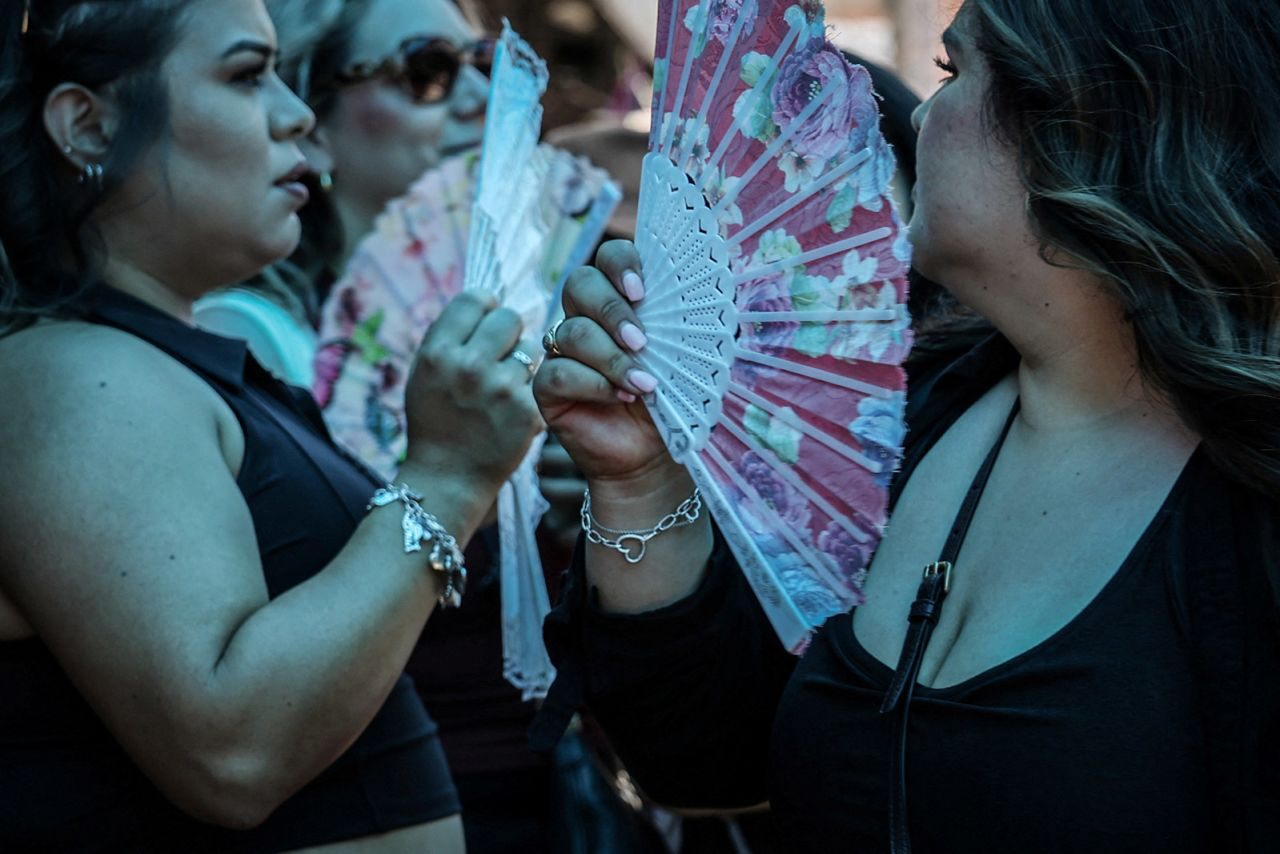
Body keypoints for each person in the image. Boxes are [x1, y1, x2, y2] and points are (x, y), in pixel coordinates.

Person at [529, 0, 1280, 851]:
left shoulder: (1250, 495)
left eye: (954, 74)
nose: (919, 114)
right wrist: (637, 482)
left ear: (1076, 118)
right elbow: (706, 764)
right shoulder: (898, 419)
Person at [0, 0, 540, 850]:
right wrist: (448, 477)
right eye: (250, 76)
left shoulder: (158, 359)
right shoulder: (73, 376)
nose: (298, 118)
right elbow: (232, 754)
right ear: (89, 126)